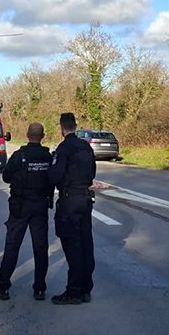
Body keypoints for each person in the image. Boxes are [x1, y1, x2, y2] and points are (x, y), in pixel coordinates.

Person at [0, 122, 54, 301]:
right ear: (42, 136)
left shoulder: (19, 155)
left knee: (12, 247)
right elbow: (53, 178)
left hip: (19, 207)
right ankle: (40, 288)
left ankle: (2, 287)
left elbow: (6, 177)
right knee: (40, 248)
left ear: (27, 135)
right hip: (40, 207)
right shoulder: (47, 157)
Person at [47, 112, 96, 305]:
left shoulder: (64, 148)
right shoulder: (85, 147)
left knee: (72, 245)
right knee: (86, 244)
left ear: (62, 127)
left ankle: (73, 291)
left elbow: (54, 176)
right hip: (85, 198)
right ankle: (85, 289)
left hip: (70, 200)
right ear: (75, 126)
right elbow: (92, 172)